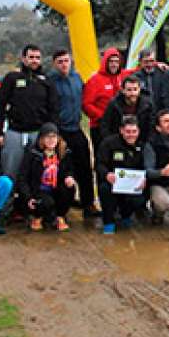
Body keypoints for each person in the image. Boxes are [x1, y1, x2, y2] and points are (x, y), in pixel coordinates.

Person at [0, 44, 59, 181]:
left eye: (37, 58)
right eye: (31, 57)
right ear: (23, 59)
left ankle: (31, 200)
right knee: (10, 170)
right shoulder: (12, 78)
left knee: (36, 171)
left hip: (38, 133)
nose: (34, 60)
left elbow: (53, 109)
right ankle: (9, 200)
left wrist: (52, 134)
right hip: (15, 132)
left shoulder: (47, 81)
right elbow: (0, 105)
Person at [49, 49, 96, 219]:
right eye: (60, 61)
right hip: (60, 131)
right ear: (54, 64)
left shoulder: (77, 78)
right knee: (61, 169)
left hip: (76, 128)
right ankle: (62, 205)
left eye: (66, 61)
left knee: (85, 167)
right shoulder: (50, 81)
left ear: (71, 61)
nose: (63, 64)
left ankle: (88, 203)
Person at [95, 115, 149, 235]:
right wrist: (106, 174)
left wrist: (145, 179)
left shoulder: (142, 145)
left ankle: (126, 215)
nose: (131, 135)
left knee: (142, 196)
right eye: (128, 131)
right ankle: (109, 222)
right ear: (121, 130)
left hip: (132, 186)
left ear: (138, 131)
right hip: (113, 183)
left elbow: (146, 167)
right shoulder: (109, 143)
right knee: (104, 189)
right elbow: (99, 164)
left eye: (134, 131)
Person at [19, 123, 78, 231]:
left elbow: (69, 170)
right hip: (39, 190)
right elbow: (23, 177)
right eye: (48, 137)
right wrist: (27, 197)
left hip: (56, 188)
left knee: (69, 188)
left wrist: (69, 177)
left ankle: (60, 216)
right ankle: (37, 217)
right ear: (42, 138)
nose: (51, 140)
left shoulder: (64, 152)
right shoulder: (33, 153)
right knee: (46, 203)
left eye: (54, 137)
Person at [83, 47, 125, 153]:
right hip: (99, 127)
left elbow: (136, 70)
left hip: (118, 125)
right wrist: (103, 117)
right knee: (102, 156)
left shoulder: (120, 76)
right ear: (105, 62)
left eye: (116, 61)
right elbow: (86, 104)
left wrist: (157, 64)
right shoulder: (94, 80)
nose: (114, 64)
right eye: (111, 61)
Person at [101, 74, 155, 145]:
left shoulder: (148, 105)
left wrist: (146, 144)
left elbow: (151, 126)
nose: (132, 93)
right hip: (118, 142)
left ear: (139, 90)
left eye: (135, 89)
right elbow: (105, 125)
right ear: (123, 90)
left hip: (141, 142)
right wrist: (111, 143)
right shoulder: (114, 104)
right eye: (129, 90)